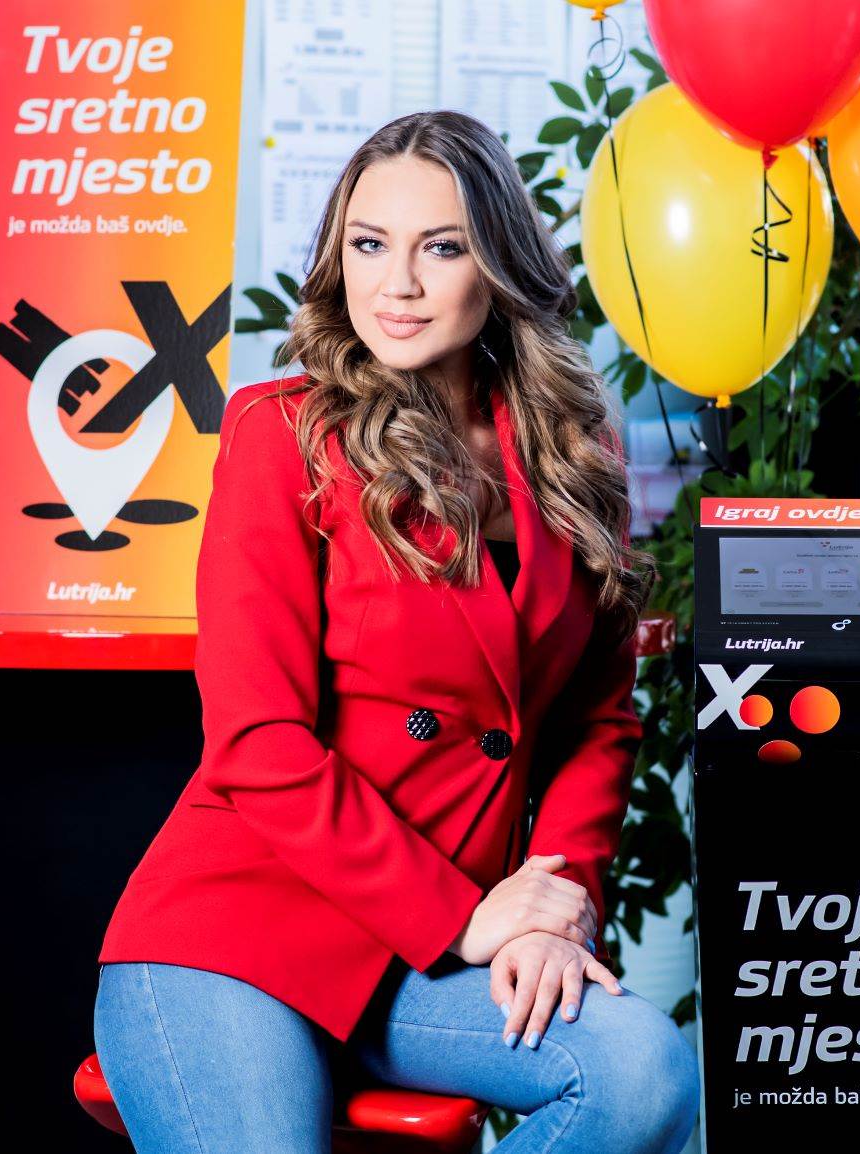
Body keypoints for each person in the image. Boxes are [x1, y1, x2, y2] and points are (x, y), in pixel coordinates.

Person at [94, 109, 700, 1153]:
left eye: (442, 248)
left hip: (427, 963)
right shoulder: (282, 434)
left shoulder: (573, 447)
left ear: (498, 265)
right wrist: (465, 917)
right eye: (371, 244)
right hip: (237, 932)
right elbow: (257, 742)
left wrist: (552, 905)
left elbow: (597, 722)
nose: (399, 285)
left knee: (641, 1070)